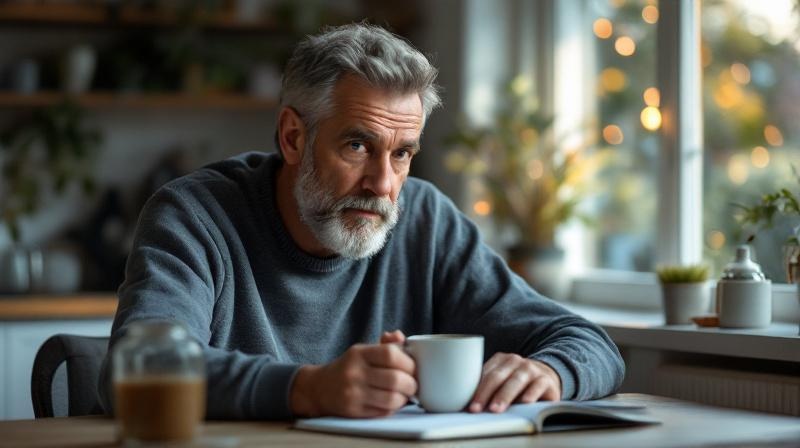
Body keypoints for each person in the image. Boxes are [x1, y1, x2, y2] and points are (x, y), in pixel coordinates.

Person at [98, 23, 624, 420]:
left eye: (402, 154)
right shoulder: (194, 215)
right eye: (357, 145)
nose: (383, 185)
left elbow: (590, 343)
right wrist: (307, 389)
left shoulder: (427, 221)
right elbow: (137, 368)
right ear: (292, 138)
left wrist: (551, 370)